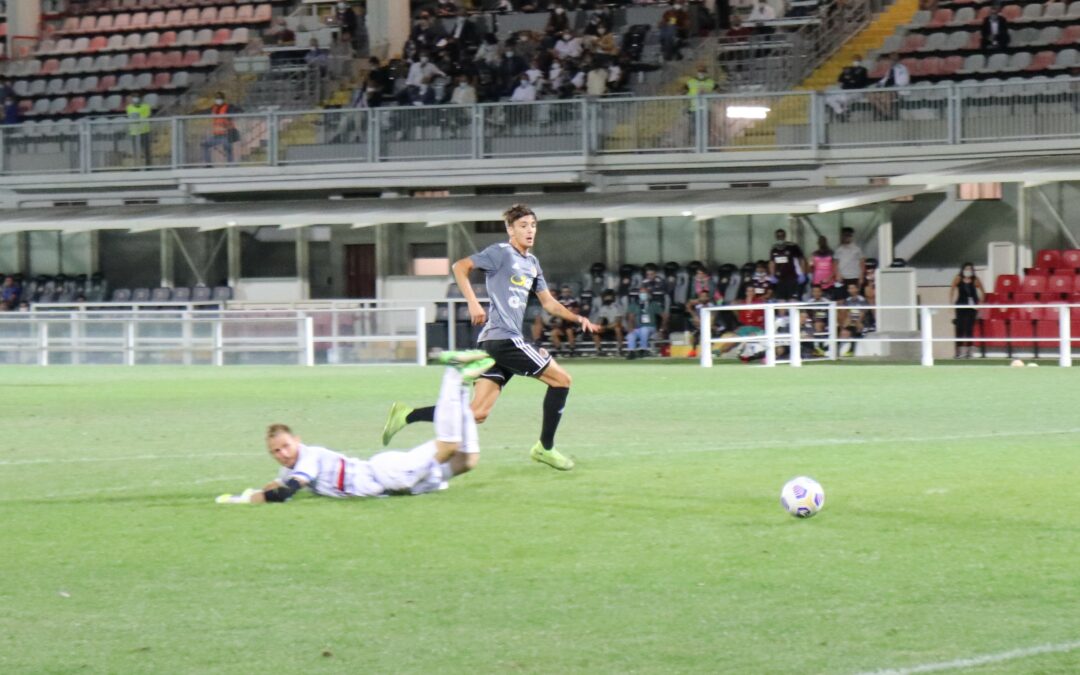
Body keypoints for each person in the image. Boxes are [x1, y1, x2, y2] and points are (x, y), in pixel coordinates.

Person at [382, 204, 598, 471]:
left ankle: (407, 415)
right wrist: (473, 303)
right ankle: (545, 447)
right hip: (504, 339)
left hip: (496, 342)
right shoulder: (501, 253)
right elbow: (460, 267)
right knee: (562, 380)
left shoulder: (532, 263)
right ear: (510, 229)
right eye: (523, 226)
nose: (529, 230)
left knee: (478, 413)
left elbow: (549, 304)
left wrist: (578, 319)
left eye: (533, 225)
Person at [214, 355, 492, 504]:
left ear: (297, 441)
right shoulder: (289, 469)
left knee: (448, 445)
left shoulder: (308, 458)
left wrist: (241, 502)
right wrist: (249, 493)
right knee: (467, 460)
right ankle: (461, 384)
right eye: (276, 451)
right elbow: (277, 485)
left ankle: (453, 373)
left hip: (388, 476)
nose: (283, 453)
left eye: (286, 446)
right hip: (399, 487)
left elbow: (285, 493)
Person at [951, 262, 984, 359]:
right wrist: (951, 304)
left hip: (972, 307)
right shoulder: (958, 278)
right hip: (961, 305)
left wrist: (980, 304)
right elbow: (952, 290)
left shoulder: (975, 280)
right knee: (960, 328)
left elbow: (983, 292)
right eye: (966, 269)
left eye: (970, 269)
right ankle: (959, 351)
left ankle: (969, 352)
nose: (968, 271)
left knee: (969, 328)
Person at [825, 54, 870, 119]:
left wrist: (849, 80)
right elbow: (840, 81)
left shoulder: (863, 70)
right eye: (854, 60)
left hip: (857, 92)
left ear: (860, 61)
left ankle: (844, 111)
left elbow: (859, 81)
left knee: (845, 99)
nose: (855, 61)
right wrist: (850, 80)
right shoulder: (847, 69)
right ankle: (840, 112)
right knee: (828, 99)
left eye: (857, 60)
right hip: (845, 91)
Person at [625, 284, 664, 359]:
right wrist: (630, 328)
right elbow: (630, 318)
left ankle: (644, 349)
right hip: (637, 328)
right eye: (641, 293)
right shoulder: (634, 305)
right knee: (631, 335)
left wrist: (661, 329)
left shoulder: (653, 304)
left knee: (644, 329)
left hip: (650, 327)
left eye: (644, 293)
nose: (642, 294)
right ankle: (631, 352)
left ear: (648, 294)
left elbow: (664, 316)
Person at [201, 92, 239, 165]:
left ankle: (230, 166)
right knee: (204, 144)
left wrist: (231, 112)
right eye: (217, 98)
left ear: (223, 99)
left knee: (228, 148)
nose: (218, 100)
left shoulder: (229, 107)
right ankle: (208, 164)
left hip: (226, 134)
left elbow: (238, 111)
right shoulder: (214, 108)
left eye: (220, 98)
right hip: (217, 135)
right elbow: (203, 111)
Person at [769, 229, 806, 300]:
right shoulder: (774, 248)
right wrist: (772, 275)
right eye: (778, 236)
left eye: (781, 236)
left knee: (792, 299)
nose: (780, 237)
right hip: (780, 279)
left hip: (792, 278)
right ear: (776, 237)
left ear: (785, 236)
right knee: (781, 300)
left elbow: (801, 259)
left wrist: (802, 273)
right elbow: (772, 262)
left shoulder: (793, 246)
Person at [589, 289, 624, 356]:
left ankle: (620, 349)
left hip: (617, 327)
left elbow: (618, 321)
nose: (606, 298)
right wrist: (597, 327)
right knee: (595, 330)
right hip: (608, 327)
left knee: (617, 328)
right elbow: (600, 319)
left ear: (612, 297)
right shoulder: (603, 308)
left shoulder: (617, 307)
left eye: (608, 296)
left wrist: (605, 327)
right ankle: (599, 350)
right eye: (605, 296)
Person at [833, 227, 865, 298]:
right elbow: (835, 263)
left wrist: (861, 276)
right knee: (842, 298)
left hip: (855, 276)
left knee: (855, 297)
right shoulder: (838, 249)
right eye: (845, 235)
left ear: (851, 236)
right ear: (842, 236)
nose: (847, 237)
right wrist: (837, 274)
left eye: (849, 235)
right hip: (843, 278)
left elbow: (862, 262)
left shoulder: (857, 249)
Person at [125, 93, 152, 167]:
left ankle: (148, 166)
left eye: (137, 97)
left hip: (144, 130)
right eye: (134, 97)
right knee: (135, 151)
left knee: (146, 150)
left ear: (140, 98)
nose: (135, 99)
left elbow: (147, 116)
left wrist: (138, 118)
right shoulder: (129, 107)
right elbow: (130, 117)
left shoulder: (146, 107)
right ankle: (136, 166)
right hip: (134, 131)